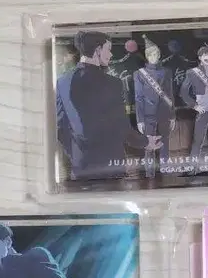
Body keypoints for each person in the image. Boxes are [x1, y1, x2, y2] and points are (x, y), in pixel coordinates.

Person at [55, 30, 162, 180]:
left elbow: (60, 127)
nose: (111, 54)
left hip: (81, 166)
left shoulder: (62, 82)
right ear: (98, 50)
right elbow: (121, 126)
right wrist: (145, 142)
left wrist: (75, 154)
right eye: (108, 49)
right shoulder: (113, 84)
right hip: (111, 164)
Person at [133, 36, 176, 178]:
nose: (154, 57)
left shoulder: (167, 72)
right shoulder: (139, 74)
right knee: (149, 145)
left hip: (164, 113)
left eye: (156, 54)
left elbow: (170, 95)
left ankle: (165, 169)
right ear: (147, 56)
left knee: (165, 144)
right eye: (151, 54)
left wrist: (173, 116)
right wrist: (140, 120)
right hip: (147, 114)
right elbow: (138, 98)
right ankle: (149, 172)